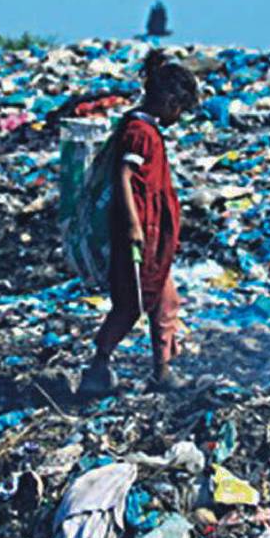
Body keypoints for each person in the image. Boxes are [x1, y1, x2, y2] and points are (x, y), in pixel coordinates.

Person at [82, 53, 200, 395]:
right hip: (139, 234)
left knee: (166, 302)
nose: (178, 117)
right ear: (170, 102)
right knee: (132, 303)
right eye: (180, 110)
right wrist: (134, 226)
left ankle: (162, 371)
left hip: (152, 235)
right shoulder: (139, 132)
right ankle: (98, 367)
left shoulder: (144, 129)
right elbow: (124, 175)